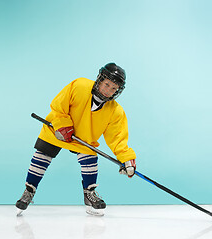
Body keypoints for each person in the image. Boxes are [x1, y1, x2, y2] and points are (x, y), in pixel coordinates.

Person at [16, 63, 137, 216]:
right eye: (107, 85)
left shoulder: (115, 111)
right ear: (100, 80)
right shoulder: (79, 86)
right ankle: (28, 191)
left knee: (90, 159)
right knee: (42, 155)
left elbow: (117, 138)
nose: (108, 91)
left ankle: (89, 193)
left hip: (83, 139)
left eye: (113, 88)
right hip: (57, 131)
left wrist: (126, 159)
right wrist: (62, 124)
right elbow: (59, 105)